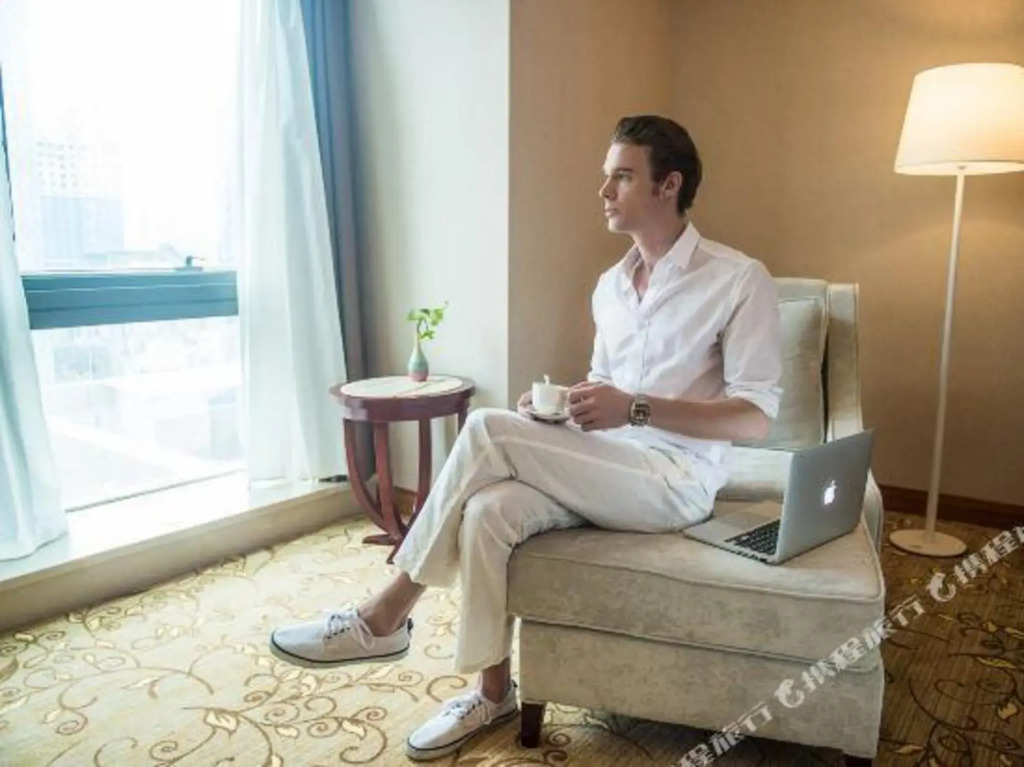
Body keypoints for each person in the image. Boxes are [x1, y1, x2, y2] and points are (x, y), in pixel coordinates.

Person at [269, 115, 783, 761]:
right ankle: (493, 692)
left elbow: (754, 416)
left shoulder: (737, 278)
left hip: (676, 482)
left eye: (623, 177)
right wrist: (563, 408)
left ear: (668, 185)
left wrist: (636, 408)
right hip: (610, 462)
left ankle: (386, 613)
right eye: (607, 176)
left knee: (486, 427)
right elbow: (604, 389)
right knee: (490, 509)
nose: (604, 191)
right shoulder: (610, 286)